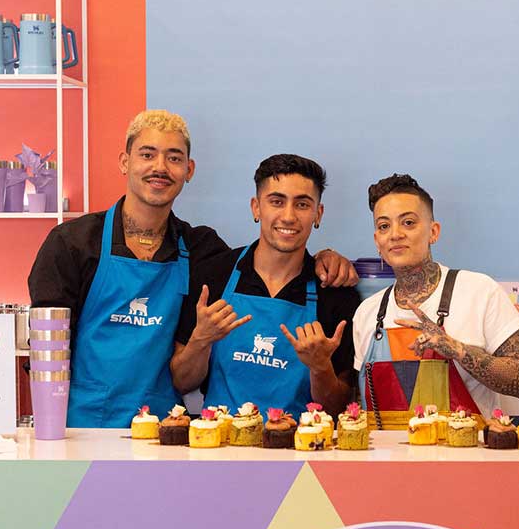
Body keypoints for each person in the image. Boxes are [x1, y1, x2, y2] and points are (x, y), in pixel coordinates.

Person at [27, 111, 356, 427]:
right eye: (147, 154)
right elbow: (48, 349)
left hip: (164, 426)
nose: (160, 167)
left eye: (173, 157)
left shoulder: (201, 250)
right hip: (81, 425)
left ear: (189, 169)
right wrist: (51, 428)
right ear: (124, 162)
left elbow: (273, 257)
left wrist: (323, 258)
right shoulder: (72, 244)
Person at [171, 154, 359, 416]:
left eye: (302, 204)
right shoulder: (213, 275)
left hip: (302, 449)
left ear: (318, 213)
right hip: (217, 446)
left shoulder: (336, 295)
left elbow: (339, 409)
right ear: (256, 208)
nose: (289, 216)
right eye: (277, 202)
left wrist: (320, 368)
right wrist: (200, 341)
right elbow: (181, 382)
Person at [353, 173, 519, 423]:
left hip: (466, 456)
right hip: (388, 459)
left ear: (433, 232)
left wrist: (457, 350)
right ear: (377, 241)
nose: (395, 234)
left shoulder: (479, 291)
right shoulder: (367, 313)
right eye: (384, 226)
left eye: (408, 222)